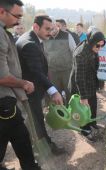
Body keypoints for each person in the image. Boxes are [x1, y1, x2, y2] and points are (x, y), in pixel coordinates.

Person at [0, 0, 40, 169]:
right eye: (17, 16)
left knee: (15, 138)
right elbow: (1, 76)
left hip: (6, 103)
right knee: (20, 139)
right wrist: (24, 83)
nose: (19, 21)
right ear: (2, 11)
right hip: (4, 103)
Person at [16, 15, 64, 155]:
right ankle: (45, 150)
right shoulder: (30, 43)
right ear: (36, 27)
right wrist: (53, 91)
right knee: (37, 121)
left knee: (35, 120)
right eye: (47, 29)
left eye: (52, 29)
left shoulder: (31, 38)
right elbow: (36, 72)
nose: (50, 32)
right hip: (30, 92)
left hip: (32, 88)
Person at [68, 30, 106, 141]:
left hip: (90, 83)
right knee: (83, 110)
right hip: (80, 86)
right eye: (98, 45)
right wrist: (83, 97)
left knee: (93, 105)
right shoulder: (80, 54)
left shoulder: (91, 46)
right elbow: (79, 78)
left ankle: (92, 123)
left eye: (102, 45)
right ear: (91, 42)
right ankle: (85, 130)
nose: (99, 48)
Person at [44, 20, 76, 103]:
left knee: (69, 92)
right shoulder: (45, 37)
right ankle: (59, 113)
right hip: (52, 71)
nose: (52, 31)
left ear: (57, 26)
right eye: (49, 29)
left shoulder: (67, 35)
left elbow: (74, 51)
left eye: (53, 28)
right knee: (55, 93)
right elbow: (44, 54)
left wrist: (75, 67)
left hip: (67, 70)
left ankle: (70, 111)